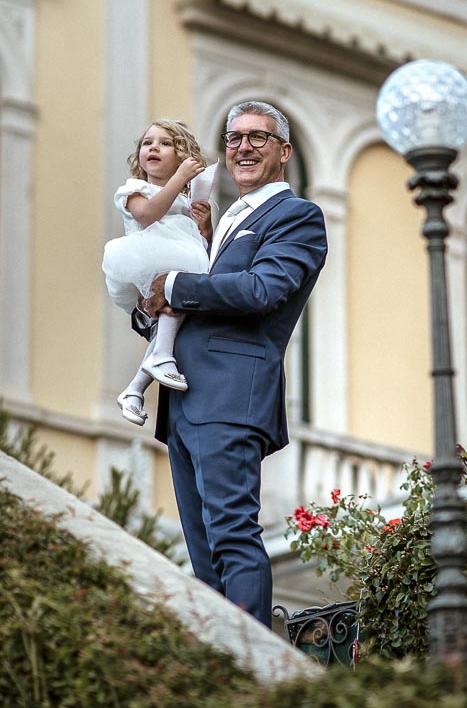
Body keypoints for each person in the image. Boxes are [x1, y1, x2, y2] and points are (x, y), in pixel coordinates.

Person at [137, 100, 327, 627]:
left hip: (231, 395)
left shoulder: (295, 216)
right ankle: (220, 657)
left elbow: (263, 289)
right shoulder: (223, 221)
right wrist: (151, 302)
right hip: (183, 401)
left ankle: (255, 663)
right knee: (202, 554)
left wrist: (175, 286)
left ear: (284, 152)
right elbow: (198, 301)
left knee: (233, 536)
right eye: (234, 137)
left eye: (258, 138)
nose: (243, 147)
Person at [102, 119, 214, 426]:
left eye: (165, 143)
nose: (154, 147)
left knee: (176, 304)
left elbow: (201, 245)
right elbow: (148, 215)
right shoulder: (135, 189)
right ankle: (159, 359)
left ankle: (135, 389)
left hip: (180, 261)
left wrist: (204, 225)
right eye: (147, 143)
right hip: (148, 258)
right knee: (177, 288)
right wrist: (180, 179)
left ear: (181, 154)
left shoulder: (184, 200)